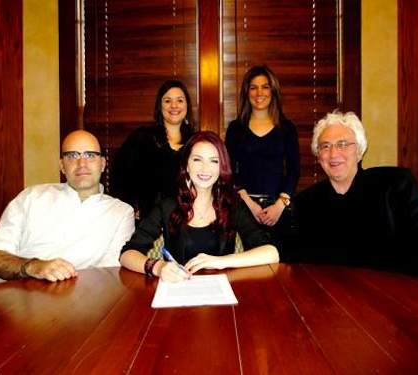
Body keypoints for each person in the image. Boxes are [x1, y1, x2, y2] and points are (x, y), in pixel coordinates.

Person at [291, 110, 418, 281]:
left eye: (343, 144)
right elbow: (302, 266)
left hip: (396, 295)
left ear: (359, 151)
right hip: (334, 300)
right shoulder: (305, 203)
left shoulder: (396, 186)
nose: (334, 153)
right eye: (325, 146)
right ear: (318, 156)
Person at [120, 131, 279, 282]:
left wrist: (221, 262)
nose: (205, 168)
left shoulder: (232, 204)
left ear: (221, 167)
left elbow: (271, 253)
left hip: (221, 293)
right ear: (187, 165)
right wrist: (158, 267)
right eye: (197, 159)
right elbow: (127, 254)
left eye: (214, 161)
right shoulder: (168, 204)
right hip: (179, 291)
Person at [0, 130, 135, 283]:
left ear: (102, 164)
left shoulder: (121, 213)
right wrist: (33, 267)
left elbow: (107, 274)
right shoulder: (32, 197)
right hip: (10, 299)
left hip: (77, 301)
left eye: (90, 155)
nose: (82, 164)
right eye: (72, 156)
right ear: (62, 165)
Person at [225, 65, 300, 262]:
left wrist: (280, 205)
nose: (259, 93)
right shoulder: (235, 129)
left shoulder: (287, 128)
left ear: (273, 91)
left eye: (265, 87)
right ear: (246, 92)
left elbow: (294, 170)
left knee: (281, 265)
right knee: (252, 267)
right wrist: (248, 205)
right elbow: (228, 170)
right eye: (253, 87)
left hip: (279, 208)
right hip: (245, 208)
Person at [110, 79, 195, 222]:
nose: (174, 105)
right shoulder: (142, 138)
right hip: (149, 222)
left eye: (180, 100)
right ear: (159, 107)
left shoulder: (196, 142)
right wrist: (130, 207)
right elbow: (119, 174)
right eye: (167, 101)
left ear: (187, 105)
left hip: (188, 221)